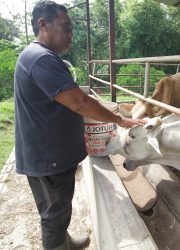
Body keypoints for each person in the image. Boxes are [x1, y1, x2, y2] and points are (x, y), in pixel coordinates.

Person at [14, 1, 144, 249]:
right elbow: (81, 103)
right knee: (54, 215)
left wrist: (98, 105)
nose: (71, 34)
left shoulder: (40, 57)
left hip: (48, 153)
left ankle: (65, 240)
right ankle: (57, 244)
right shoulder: (41, 59)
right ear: (44, 24)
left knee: (60, 207)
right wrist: (120, 119)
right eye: (66, 27)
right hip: (48, 158)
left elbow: (73, 96)